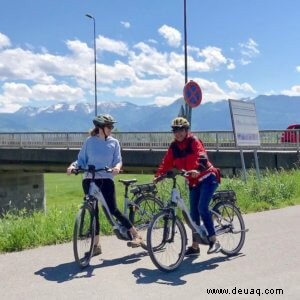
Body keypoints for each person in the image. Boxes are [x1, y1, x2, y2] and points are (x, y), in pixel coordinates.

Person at [67, 113, 143, 256]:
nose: (112, 128)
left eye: (112, 126)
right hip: (89, 179)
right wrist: (73, 166)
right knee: (93, 212)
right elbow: (81, 160)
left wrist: (117, 167)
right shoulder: (89, 142)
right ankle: (96, 246)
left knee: (113, 209)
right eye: (109, 126)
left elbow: (118, 161)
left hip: (106, 179)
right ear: (100, 127)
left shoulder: (114, 143)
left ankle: (135, 234)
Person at [154, 117, 221, 256]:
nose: (178, 133)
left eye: (181, 130)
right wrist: (159, 175)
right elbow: (166, 162)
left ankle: (214, 240)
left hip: (208, 177)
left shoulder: (193, 141)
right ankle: (195, 247)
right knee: (193, 214)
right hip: (193, 182)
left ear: (186, 131)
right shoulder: (174, 147)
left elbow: (202, 157)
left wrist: (198, 169)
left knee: (202, 207)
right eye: (175, 131)